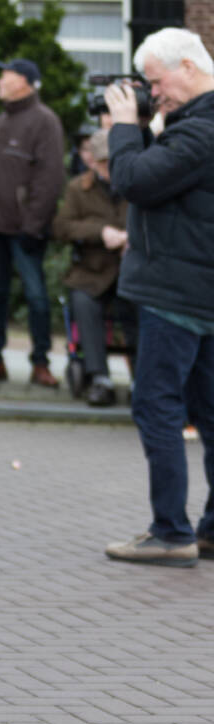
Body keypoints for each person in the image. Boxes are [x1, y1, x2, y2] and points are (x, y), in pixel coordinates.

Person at [103, 28, 214, 568]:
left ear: (188, 66)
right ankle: (209, 530)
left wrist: (125, 128)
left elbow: (133, 180)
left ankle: (171, 532)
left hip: (177, 294)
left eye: (155, 81)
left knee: (157, 406)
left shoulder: (202, 130)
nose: (152, 92)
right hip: (198, 292)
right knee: (209, 413)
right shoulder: (194, 126)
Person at [0, 58, 65, 387]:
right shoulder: (1, 120)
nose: (0, 80)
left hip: (25, 230)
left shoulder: (45, 122)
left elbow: (50, 179)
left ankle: (41, 362)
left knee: (36, 296)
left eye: (6, 75)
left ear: (24, 81)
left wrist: (33, 225)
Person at [52, 128, 135, 406]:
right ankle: (100, 378)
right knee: (84, 303)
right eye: (102, 163)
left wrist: (130, 238)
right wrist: (100, 232)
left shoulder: (137, 186)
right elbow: (62, 227)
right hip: (92, 271)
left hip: (130, 271)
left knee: (141, 308)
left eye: (112, 163)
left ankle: (141, 379)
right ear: (94, 163)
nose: (108, 169)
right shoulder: (79, 188)